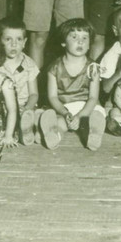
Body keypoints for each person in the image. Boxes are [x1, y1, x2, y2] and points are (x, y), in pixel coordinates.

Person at [39, 19, 107, 151]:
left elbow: (93, 97)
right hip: (65, 107)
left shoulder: (93, 67)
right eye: (74, 37)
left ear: (89, 44)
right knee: (60, 122)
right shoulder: (54, 67)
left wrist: (80, 115)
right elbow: (53, 97)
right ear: (63, 42)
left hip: (87, 108)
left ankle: (93, 134)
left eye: (85, 38)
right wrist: (66, 113)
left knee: (91, 119)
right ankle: (55, 135)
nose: (80, 41)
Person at [0, 17, 41, 145]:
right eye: (8, 39)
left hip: (25, 105)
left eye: (19, 39)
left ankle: (37, 129)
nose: (14, 44)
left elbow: (34, 94)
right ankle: (27, 131)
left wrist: (27, 108)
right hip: (4, 107)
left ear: (24, 42)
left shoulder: (29, 64)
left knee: (35, 114)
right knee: (4, 121)